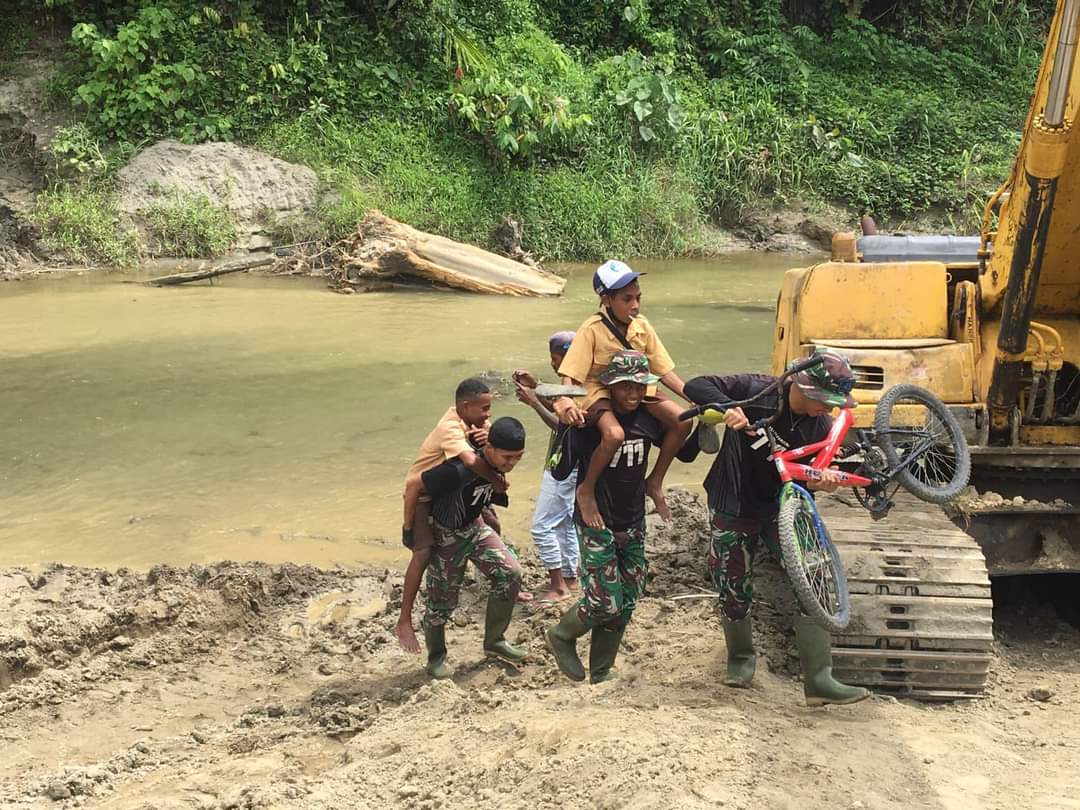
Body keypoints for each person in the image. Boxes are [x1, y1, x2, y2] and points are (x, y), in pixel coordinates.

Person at [683, 349, 870, 707]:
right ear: (802, 387)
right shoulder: (757, 390)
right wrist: (729, 408)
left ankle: (820, 679)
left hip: (783, 509)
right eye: (823, 401)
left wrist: (823, 482)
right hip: (733, 499)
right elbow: (696, 384)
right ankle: (741, 658)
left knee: (815, 577)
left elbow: (811, 476)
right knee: (732, 584)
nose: (827, 409)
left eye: (833, 404)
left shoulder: (820, 426)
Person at [551, 260, 699, 528]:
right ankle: (586, 490)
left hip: (637, 386)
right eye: (627, 299)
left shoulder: (642, 326)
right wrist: (566, 401)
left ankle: (655, 481)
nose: (635, 305)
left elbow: (664, 370)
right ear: (606, 300)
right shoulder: (591, 329)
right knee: (614, 434)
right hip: (599, 389)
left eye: (638, 298)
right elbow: (571, 374)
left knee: (683, 421)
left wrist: (693, 397)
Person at [545, 351, 664, 684]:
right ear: (609, 387)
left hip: (633, 520)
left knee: (627, 599)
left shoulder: (649, 419)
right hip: (596, 522)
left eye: (639, 387)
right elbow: (559, 469)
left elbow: (683, 443)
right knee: (603, 602)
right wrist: (566, 421)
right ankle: (561, 635)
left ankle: (601, 670)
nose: (633, 394)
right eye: (625, 387)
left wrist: (704, 426)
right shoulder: (592, 423)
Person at [396, 378, 508, 655]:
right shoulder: (450, 427)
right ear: (465, 406)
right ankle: (404, 620)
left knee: (492, 522)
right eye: (484, 408)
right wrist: (408, 527)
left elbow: (492, 443)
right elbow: (470, 461)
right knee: (423, 553)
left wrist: (486, 438)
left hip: (451, 493)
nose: (488, 414)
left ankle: (495, 576)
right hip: (422, 497)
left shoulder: (474, 422)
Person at [419, 416, 530, 678]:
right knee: (441, 603)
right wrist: (418, 533)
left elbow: (484, 497)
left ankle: (495, 641)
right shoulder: (458, 469)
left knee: (510, 573)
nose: (511, 463)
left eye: (518, 458)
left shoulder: (495, 462)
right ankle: (436, 658)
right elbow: (417, 486)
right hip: (446, 535)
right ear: (489, 448)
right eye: (507, 457)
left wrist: (491, 520)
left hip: (475, 526)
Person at [514, 330, 580, 605]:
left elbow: (562, 425)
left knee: (542, 527)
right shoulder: (576, 383)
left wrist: (533, 402)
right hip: (568, 464)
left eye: (555, 359)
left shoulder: (579, 385)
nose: (553, 364)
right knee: (564, 522)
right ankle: (571, 577)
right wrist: (538, 387)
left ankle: (559, 586)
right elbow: (559, 406)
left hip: (565, 467)